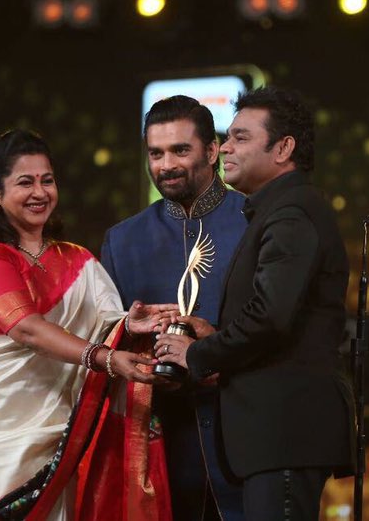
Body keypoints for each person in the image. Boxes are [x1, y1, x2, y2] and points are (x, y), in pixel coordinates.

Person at [0, 129, 178, 521]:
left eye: (47, 180)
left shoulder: (78, 260)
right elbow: (26, 329)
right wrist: (106, 357)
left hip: (61, 436)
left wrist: (129, 327)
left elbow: (107, 326)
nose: (39, 192)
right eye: (25, 182)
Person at [156, 87, 355, 521]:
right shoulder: (279, 209)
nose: (226, 146)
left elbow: (271, 316)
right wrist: (219, 335)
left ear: (284, 148)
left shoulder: (291, 212)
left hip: (285, 431)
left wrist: (198, 354)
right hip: (278, 434)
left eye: (241, 137)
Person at [101, 95, 247, 521]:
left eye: (180, 150)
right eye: (156, 153)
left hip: (246, 440)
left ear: (213, 150)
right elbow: (107, 339)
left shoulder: (256, 221)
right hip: (160, 452)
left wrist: (217, 348)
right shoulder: (122, 240)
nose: (166, 165)